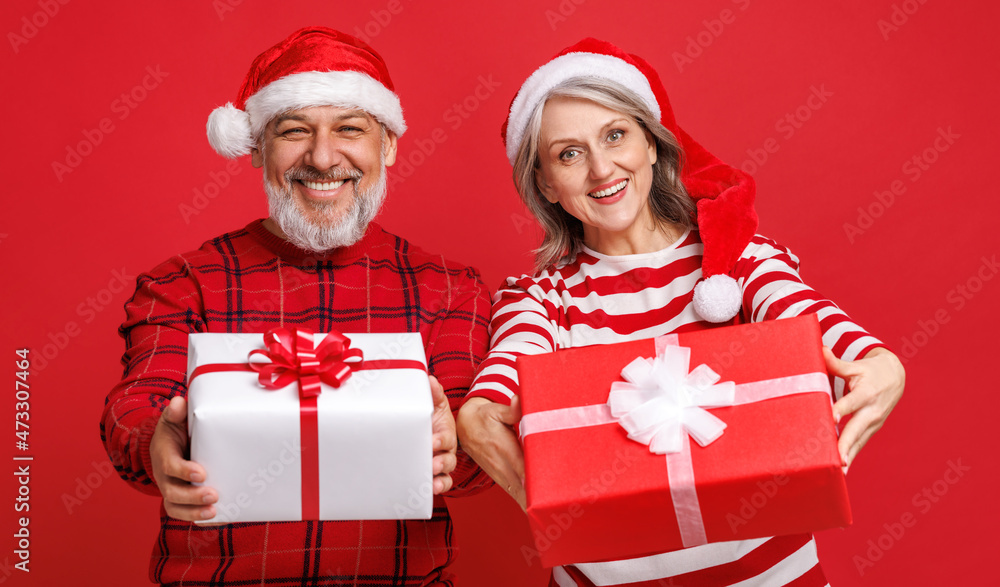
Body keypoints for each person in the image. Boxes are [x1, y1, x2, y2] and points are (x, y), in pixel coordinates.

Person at [457, 38, 905, 586]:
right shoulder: (541, 298)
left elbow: (805, 314)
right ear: (545, 183)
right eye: (568, 153)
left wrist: (881, 362)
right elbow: (507, 369)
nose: (601, 169)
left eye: (616, 135)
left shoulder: (732, 259)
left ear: (651, 142)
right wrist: (479, 413)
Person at [100, 27, 492, 586]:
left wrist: (459, 442)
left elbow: (478, 445)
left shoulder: (450, 288)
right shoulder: (185, 284)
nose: (323, 156)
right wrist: (157, 443)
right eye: (294, 131)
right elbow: (134, 412)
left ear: (389, 145)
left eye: (350, 129)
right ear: (258, 148)